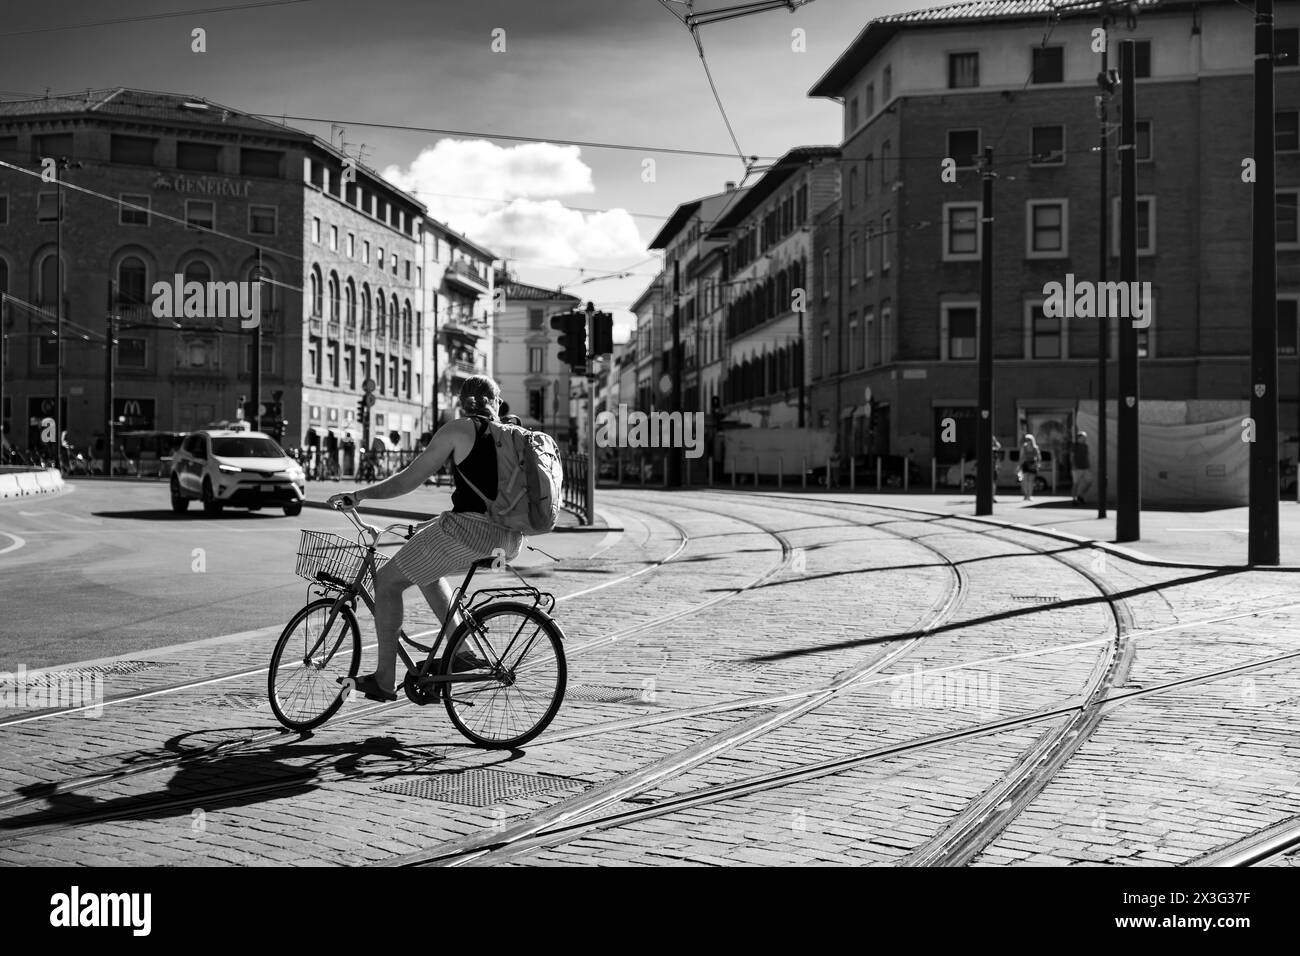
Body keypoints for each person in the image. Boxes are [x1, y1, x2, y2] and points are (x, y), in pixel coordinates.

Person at [326, 375, 525, 701]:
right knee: (426, 570)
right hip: (509, 538)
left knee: (387, 581)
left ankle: (384, 679)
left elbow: (409, 480)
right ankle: (461, 649)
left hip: (469, 533)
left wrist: (360, 493)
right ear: (495, 400)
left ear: (463, 401)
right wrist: (432, 523)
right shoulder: (511, 436)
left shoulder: (461, 430)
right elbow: (490, 501)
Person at [1071, 430, 1093, 506]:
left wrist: (1089, 466)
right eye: (1083, 438)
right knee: (1076, 483)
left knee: (1089, 482)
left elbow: (1087, 456)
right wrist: (1074, 466)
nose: (1084, 439)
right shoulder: (1075, 446)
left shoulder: (1085, 446)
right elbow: (1072, 456)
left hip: (1085, 467)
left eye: (1085, 438)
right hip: (1077, 468)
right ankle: (1074, 499)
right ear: (1079, 438)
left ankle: (1080, 495)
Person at [1018, 433, 1041, 501]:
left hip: (1033, 464)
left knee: (1031, 481)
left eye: (1029, 439)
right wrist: (1019, 466)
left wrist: (1038, 464)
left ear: (1032, 440)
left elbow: (1039, 457)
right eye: (1026, 439)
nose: (1027, 441)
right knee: (1025, 480)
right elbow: (1021, 457)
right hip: (1025, 464)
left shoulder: (1035, 447)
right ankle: (1025, 495)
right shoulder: (1024, 447)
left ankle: (1030, 495)